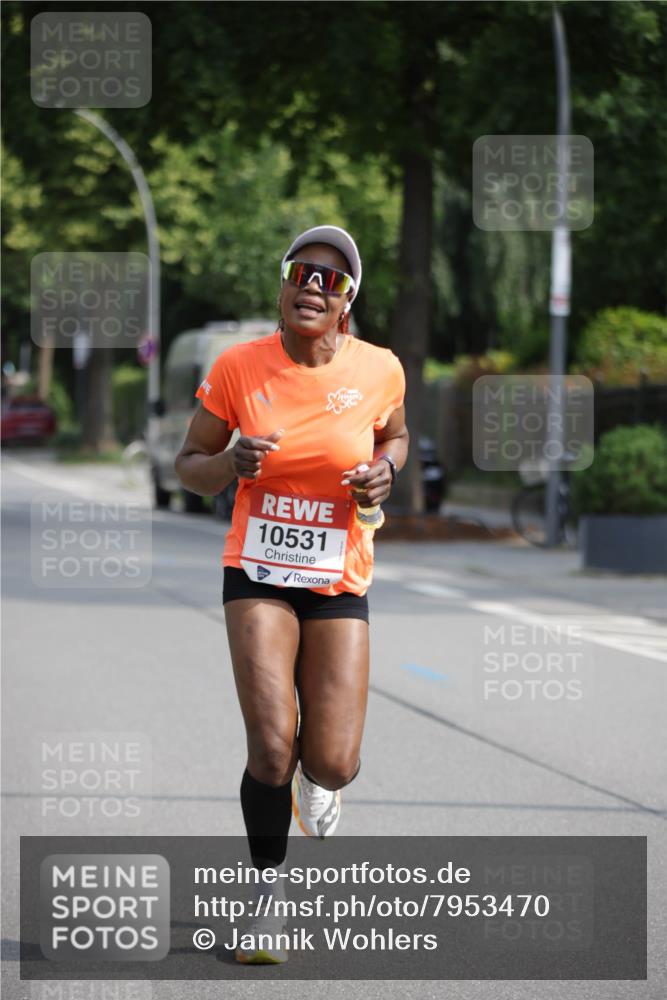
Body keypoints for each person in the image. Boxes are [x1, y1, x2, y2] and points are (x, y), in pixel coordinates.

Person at [175, 225, 408, 963]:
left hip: (337, 575)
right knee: (272, 746)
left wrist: (387, 470)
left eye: (332, 280)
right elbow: (188, 464)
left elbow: (395, 435)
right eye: (302, 272)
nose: (314, 285)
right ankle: (267, 897)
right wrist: (231, 465)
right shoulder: (239, 367)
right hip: (258, 574)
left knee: (332, 759)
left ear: (346, 304)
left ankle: (323, 781)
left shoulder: (379, 369)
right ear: (281, 287)